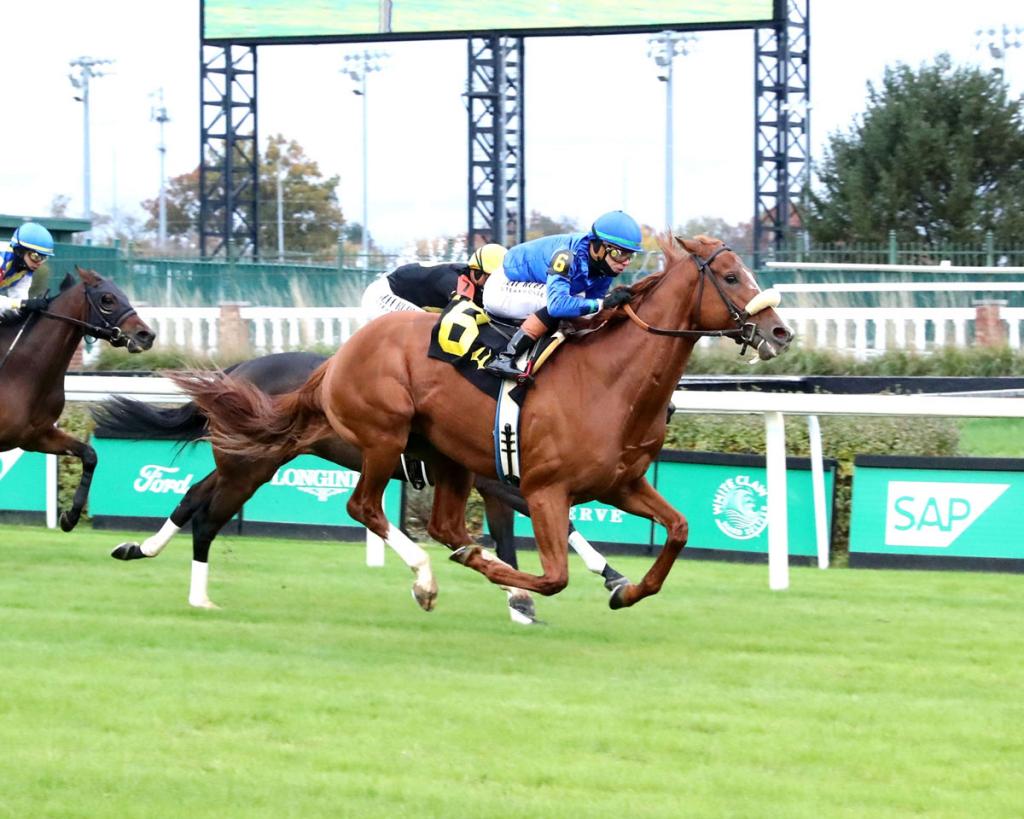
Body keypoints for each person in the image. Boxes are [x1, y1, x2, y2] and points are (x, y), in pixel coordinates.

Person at [482, 210, 643, 379]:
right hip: (501, 288)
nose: (625, 262)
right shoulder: (567, 255)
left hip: (531, 287)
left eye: (629, 255)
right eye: (619, 253)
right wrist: (603, 304)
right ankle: (506, 357)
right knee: (556, 303)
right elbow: (558, 305)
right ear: (597, 246)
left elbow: (593, 312)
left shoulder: (605, 270)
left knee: (584, 311)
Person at [360, 243, 507, 321]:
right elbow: (465, 313)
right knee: (423, 327)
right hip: (382, 296)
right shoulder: (455, 281)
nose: (490, 283)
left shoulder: (468, 277)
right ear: (476, 270)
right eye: (488, 277)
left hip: (394, 290)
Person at [0, 222, 54, 323]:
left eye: (44, 258)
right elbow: (18, 303)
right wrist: (23, 304)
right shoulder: (1, 258)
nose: (39, 263)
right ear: (20, 251)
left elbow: (18, 299)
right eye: (36, 257)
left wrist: (29, 305)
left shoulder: (25, 269)